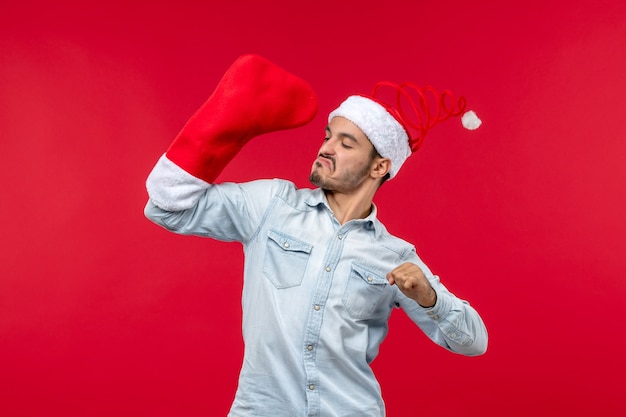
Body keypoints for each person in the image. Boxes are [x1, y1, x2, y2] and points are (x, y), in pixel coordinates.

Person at [144, 54, 488, 417]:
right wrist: (225, 123)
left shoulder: (395, 255)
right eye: (328, 136)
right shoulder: (272, 205)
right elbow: (166, 206)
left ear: (380, 166)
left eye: (346, 143)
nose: (326, 148)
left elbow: (473, 342)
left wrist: (430, 297)